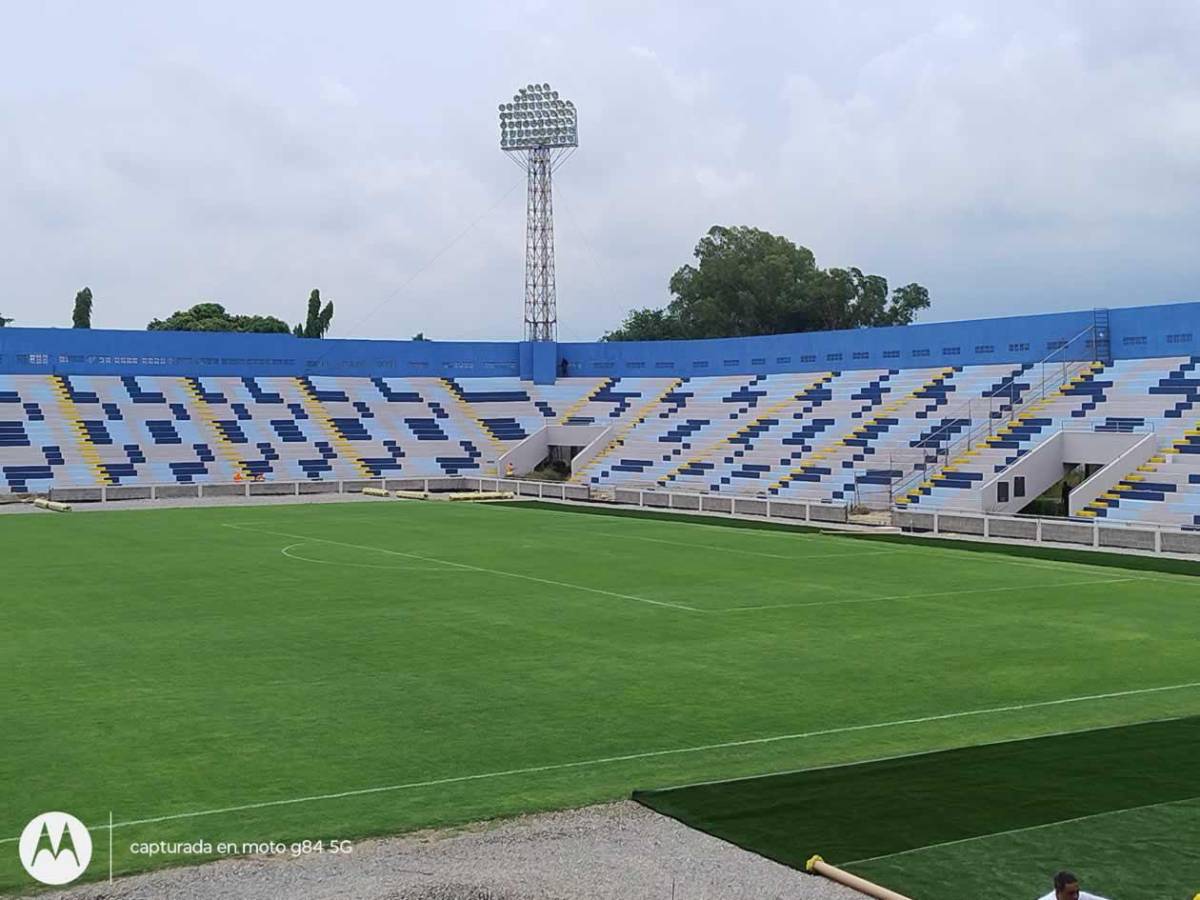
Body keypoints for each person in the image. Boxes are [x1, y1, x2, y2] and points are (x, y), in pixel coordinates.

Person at [1038, 871, 1109, 900]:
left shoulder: (1084, 897)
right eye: (1070, 893)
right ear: (1058, 892)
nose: (1076, 896)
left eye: (1077, 892)